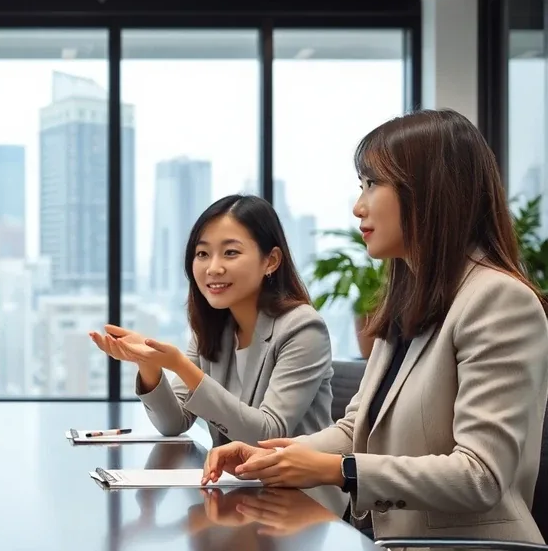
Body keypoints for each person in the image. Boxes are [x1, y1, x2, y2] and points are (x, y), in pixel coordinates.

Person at [205, 109, 548, 544]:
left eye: (372, 184)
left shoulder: (499, 301)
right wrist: (273, 456)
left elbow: (480, 474)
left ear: (430, 191)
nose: (358, 206)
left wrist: (340, 470)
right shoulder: (412, 300)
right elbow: (356, 429)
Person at [91, 195, 335, 444]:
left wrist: (180, 366)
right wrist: (148, 363)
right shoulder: (214, 327)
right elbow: (173, 423)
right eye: (203, 253)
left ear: (270, 261)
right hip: (233, 480)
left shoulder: (303, 328)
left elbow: (268, 435)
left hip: (296, 483)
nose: (213, 268)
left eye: (230, 252)